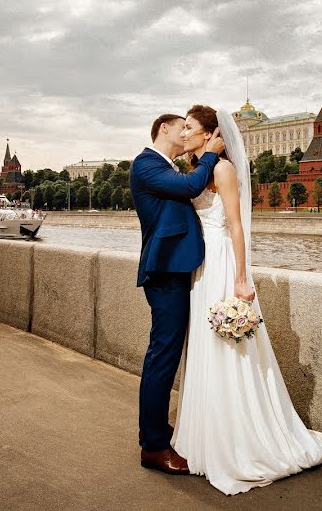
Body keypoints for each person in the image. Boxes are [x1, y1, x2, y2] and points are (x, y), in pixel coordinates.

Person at [172, 105, 322, 495]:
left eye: (190, 128)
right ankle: (207, 436)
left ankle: (240, 441)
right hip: (201, 267)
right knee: (206, 346)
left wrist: (242, 278)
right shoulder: (195, 172)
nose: (183, 133)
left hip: (222, 263)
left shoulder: (222, 170)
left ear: (211, 134)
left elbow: (236, 225)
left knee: (227, 346)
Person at [129, 113, 225, 475]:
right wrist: (212, 153)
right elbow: (188, 188)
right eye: (181, 127)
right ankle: (153, 447)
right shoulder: (147, 163)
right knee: (163, 355)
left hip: (175, 268)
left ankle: (153, 428)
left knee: (166, 352)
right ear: (164, 130)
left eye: (191, 128)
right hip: (165, 271)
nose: (185, 132)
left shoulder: (164, 166)